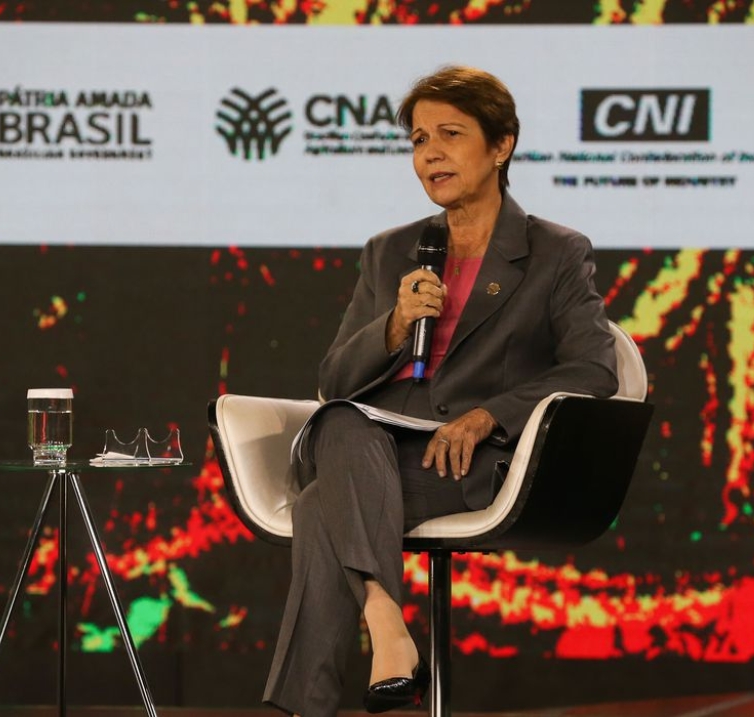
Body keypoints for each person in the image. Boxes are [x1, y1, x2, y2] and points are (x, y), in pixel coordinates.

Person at [263, 66, 619, 716]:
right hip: (370, 447)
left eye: (450, 134)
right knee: (341, 420)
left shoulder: (554, 253)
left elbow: (595, 368)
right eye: (420, 138)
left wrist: (492, 414)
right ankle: (386, 618)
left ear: (501, 145)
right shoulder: (390, 251)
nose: (430, 153)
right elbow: (336, 380)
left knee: (321, 506)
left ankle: (314, 696)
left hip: (466, 461)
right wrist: (396, 324)